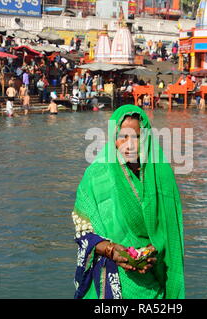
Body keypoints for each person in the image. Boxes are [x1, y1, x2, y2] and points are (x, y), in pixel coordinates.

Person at [72, 105, 185, 299]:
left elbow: (170, 234)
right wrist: (112, 250)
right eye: (123, 136)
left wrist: (149, 254)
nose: (129, 144)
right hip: (110, 279)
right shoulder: (96, 175)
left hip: (151, 280)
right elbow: (82, 230)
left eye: (136, 137)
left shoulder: (159, 176)